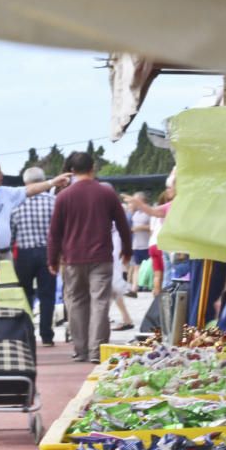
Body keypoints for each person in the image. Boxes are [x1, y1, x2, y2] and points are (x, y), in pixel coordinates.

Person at [48, 152, 132, 363]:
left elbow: (55, 232)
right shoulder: (106, 193)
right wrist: (127, 251)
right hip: (101, 256)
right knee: (100, 301)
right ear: (93, 168)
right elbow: (123, 225)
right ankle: (97, 350)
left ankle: (81, 349)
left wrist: (52, 259)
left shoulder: (64, 196)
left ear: (72, 171)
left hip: (72, 258)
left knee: (76, 302)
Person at [0, 158, 70, 260]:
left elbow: (29, 190)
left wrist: (52, 182)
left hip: (5, 254)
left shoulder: (6, 192)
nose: (2, 174)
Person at [10, 166, 58, 346]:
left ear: (25, 183)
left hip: (24, 253)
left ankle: (26, 334)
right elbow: (57, 230)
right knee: (47, 295)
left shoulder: (16, 203)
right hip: (47, 251)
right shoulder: (53, 202)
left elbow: (12, 233)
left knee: (25, 294)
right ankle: (47, 335)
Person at [127, 192, 151, 295]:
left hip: (147, 244)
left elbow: (153, 227)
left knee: (148, 266)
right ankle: (134, 288)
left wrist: (140, 228)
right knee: (137, 266)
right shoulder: (135, 214)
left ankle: (147, 285)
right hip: (136, 245)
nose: (134, 202)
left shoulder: (149, 212)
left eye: (136, 200)